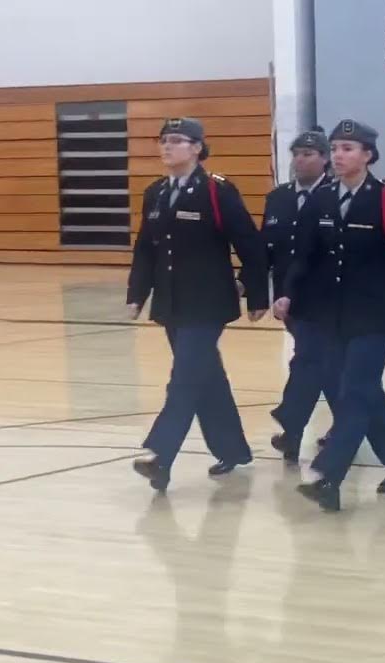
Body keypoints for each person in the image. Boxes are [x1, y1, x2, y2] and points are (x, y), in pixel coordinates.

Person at [277, 120, 385, 512]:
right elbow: (305, 256)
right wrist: (287, 294)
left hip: (374, 315)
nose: (339, 155)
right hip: (330, 314)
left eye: (348, 148)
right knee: (366, 396)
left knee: (355, 391)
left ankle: (329, 475)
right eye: (336, 148)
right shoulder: (323, 198)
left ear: (367, 154)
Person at [126, 117, 269, 491]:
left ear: (197, 148)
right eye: (163, 141)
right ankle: (233, 449)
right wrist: (136, 294)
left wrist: (256, 294)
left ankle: (161, 455)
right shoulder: (155, 192)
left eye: (176, 141)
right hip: (172, 301)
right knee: (206, 377)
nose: (166, 147)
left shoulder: (216, 191)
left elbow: (250, 244)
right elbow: (146, 248)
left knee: (185, 378)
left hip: (208, 302)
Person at [264, 127, 335, 461]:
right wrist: (249, 285)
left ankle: (292, 428)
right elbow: (267, 246)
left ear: (324, 159)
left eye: (308, 154)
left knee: (308, 359)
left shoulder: (336, 195)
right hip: (287, 298)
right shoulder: (278, 197)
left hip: (325, 297)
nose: (300, 160)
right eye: (296, 154)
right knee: (323, 365)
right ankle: (348, 425)